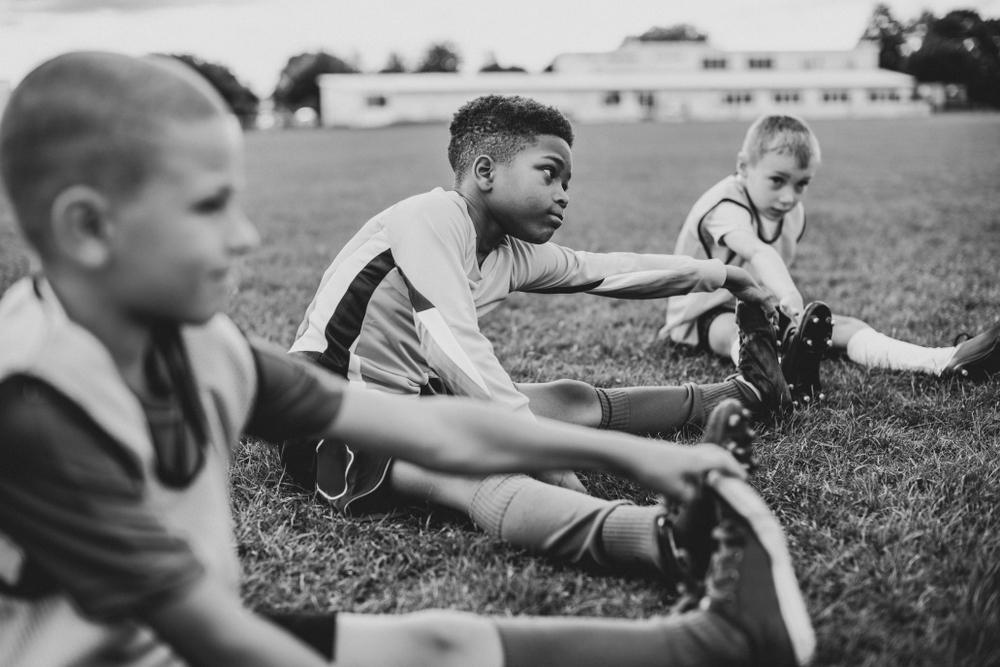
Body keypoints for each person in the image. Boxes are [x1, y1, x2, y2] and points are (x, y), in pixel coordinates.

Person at [0, 51, 815, 667]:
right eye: (212, 206)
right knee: (455, 563)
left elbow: (602, 276)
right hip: (214, 586)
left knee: (448, 634)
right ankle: (663, 542)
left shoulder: (203, 346)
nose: (246, 236)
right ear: (87, 228)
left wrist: (635, 448)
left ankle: (719, 635)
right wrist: (576, 471)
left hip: (363, 437)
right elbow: (217, 637)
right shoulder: (38, 407)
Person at [285, 94, 792, 581]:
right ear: (485, 172)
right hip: (329, 409)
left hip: (409, 400)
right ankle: (661, 538)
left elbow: (605, 272)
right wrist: (536, 452)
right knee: (473, 470)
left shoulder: (506, 250)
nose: (564, 193)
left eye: (568, 180)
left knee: (567, 398)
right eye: (549, 173)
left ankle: (744, 394)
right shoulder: (429, 217)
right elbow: (452, 341)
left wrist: (724, 277)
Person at [658, 113, 1000, 400]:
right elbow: (756, 250)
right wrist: (788, 294)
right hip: (700, 314)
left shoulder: (792, 213)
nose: (789, 196)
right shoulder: (724, 206)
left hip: (758, 305)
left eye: (801, 184)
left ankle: (943, 360)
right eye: (777, 180)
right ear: (744, 166)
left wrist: (778, 306)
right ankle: (770, 373)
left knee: (842, 326)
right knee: (729, 331)